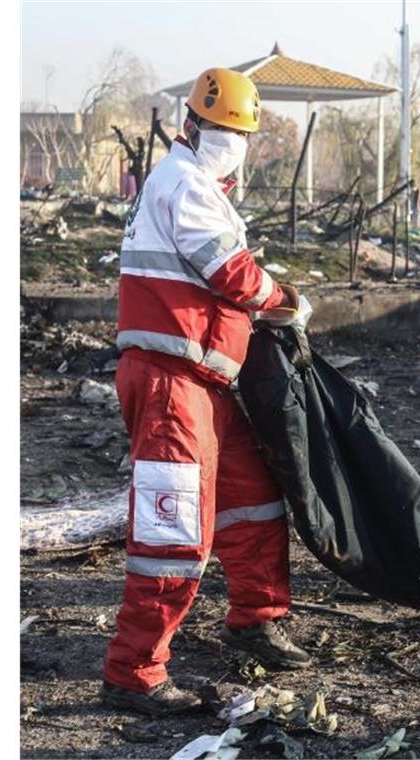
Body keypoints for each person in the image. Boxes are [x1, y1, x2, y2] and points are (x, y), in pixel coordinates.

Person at [101, 67, 314, 717]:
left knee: (254, 499)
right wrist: (285, 301)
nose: (231, 140)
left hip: (202, 384)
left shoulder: (198, 187)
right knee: (174, 533)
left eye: (239, 132)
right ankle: (135, 672)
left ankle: (255, 617)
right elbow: (231, 273)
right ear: (190, 126)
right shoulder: (182, 183)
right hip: (171, 385)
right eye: (220, 128)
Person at [112, 126, 145, 199]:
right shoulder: (136, 154)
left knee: (139, 188)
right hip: (136, 171)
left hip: (138, 171)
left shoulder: (140, 154)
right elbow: (127, 146)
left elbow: (137, 160)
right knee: (138, 189)